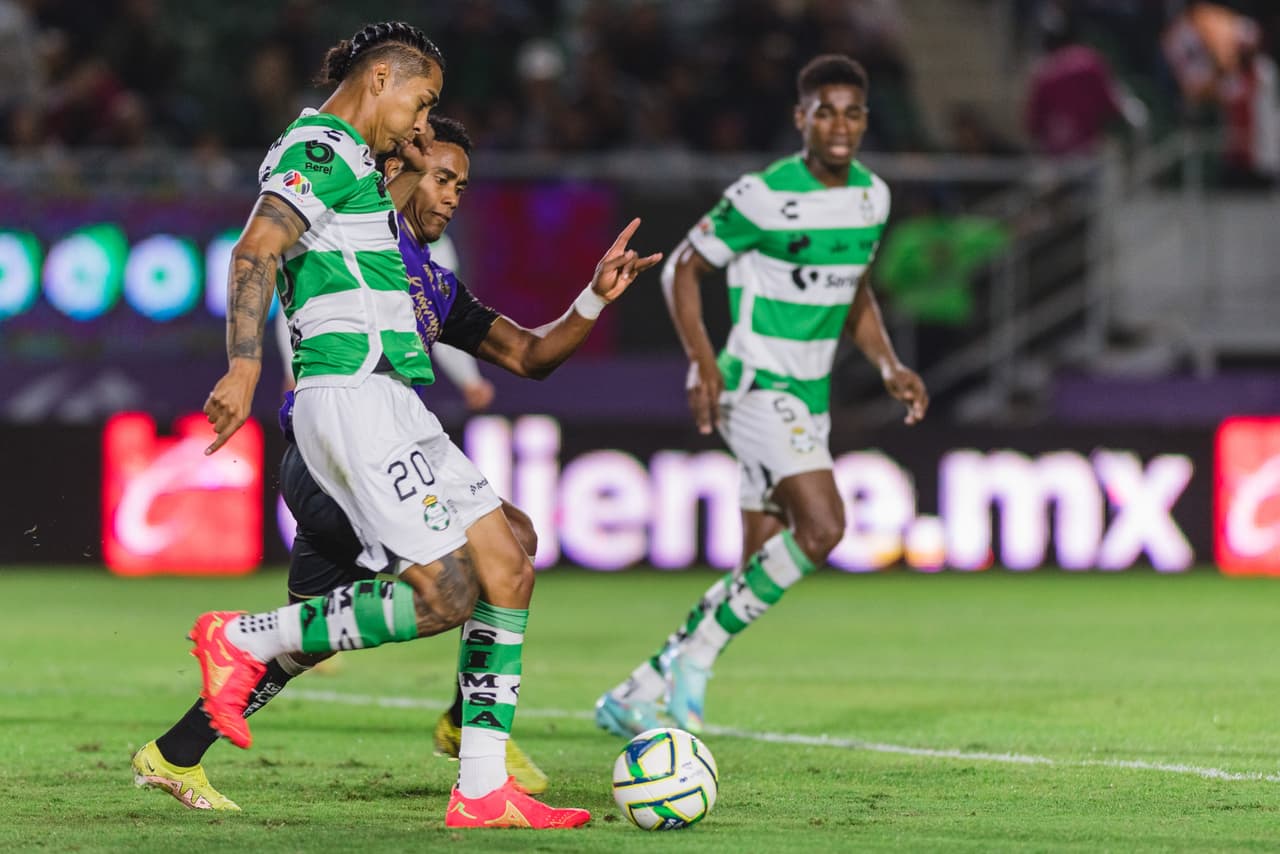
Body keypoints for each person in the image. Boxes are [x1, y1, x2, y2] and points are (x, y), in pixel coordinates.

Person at [174, 22, 654, 829]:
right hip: (349, 398)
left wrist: (596, 296)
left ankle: (480, 789)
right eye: (421, 103)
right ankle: (244, 637)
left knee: (508, 561)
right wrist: (246, 363)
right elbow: (255, 247)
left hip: (398, 404)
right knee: (449, 593)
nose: (423, 122)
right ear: (382, 78)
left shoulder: (385, 212)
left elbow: (527, 354)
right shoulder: (322, 148)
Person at [595, 54, 928, 738]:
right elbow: (682, 269)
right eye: (825, 110)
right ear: (800, 117)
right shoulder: (762, 195)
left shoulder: (873, 198)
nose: (840, 124)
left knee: (759, 566)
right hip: (752, 386)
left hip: (809, 400)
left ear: (866, 120)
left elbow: (856, 287)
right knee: (825, 527)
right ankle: (697, 664)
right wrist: (700, 362)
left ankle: (641, 687)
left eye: (853, 112)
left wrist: (889, 363)